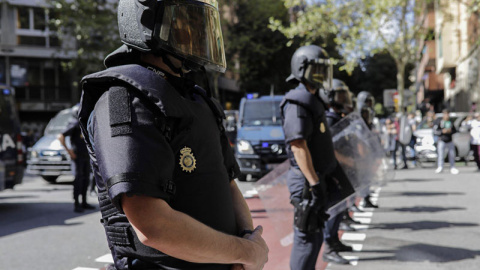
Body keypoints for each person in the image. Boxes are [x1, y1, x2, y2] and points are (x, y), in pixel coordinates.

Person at [77, 1, 268, 269]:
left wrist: (248, 241)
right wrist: (244, 253)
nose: (198, 32)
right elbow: (153, 225)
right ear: (147, 24)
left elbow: (229, 183)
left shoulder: (196, 100)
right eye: (187, 21)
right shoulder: (124, 101)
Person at [280, 45, 355, 268]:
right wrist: (314, 184)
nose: (322, 76)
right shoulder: (296, 102)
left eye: (324, 71)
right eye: (317, 70)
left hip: (314, 180)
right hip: (306, 183)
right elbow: (298, 145)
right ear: (302, 69)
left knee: (315, 238)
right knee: (306, 240)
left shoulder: (311, 100)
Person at [57, 106, 95, 213]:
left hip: (86, 155)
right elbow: (61, 136)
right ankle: (77, 204)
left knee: (86, 179)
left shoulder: (85, 122)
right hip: (77, 156)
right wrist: (70, 151)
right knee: (78, 179)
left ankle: (84, 202)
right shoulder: (74, 123)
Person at [434, 109, 459, 174]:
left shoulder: (451, 122)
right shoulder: (440, 121)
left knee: (452, 154)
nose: (446, 116)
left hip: (450, 140)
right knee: (441, 154)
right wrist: (442, 131)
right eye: (445, 114)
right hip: (442, 140)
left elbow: (455, 130)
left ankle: (452, 167)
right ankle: (440, 167)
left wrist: (450, 131)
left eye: (447, 114)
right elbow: (436, 131)